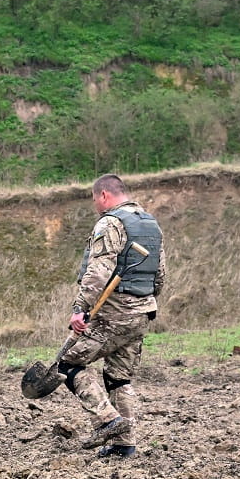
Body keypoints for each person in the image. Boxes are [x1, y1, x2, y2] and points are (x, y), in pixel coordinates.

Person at [59, 174, 165, 458]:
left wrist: (80, 309)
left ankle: (107, 419)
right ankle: (124, 444)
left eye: (95, 198)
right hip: (143, 311)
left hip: (114, 313)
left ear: (104, 195)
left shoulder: (110, 222)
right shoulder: (150, 224)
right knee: (118, 378)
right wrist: (144, 300)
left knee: (68, 365)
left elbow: (98, 271)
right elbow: (160, 274)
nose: (95, 204)